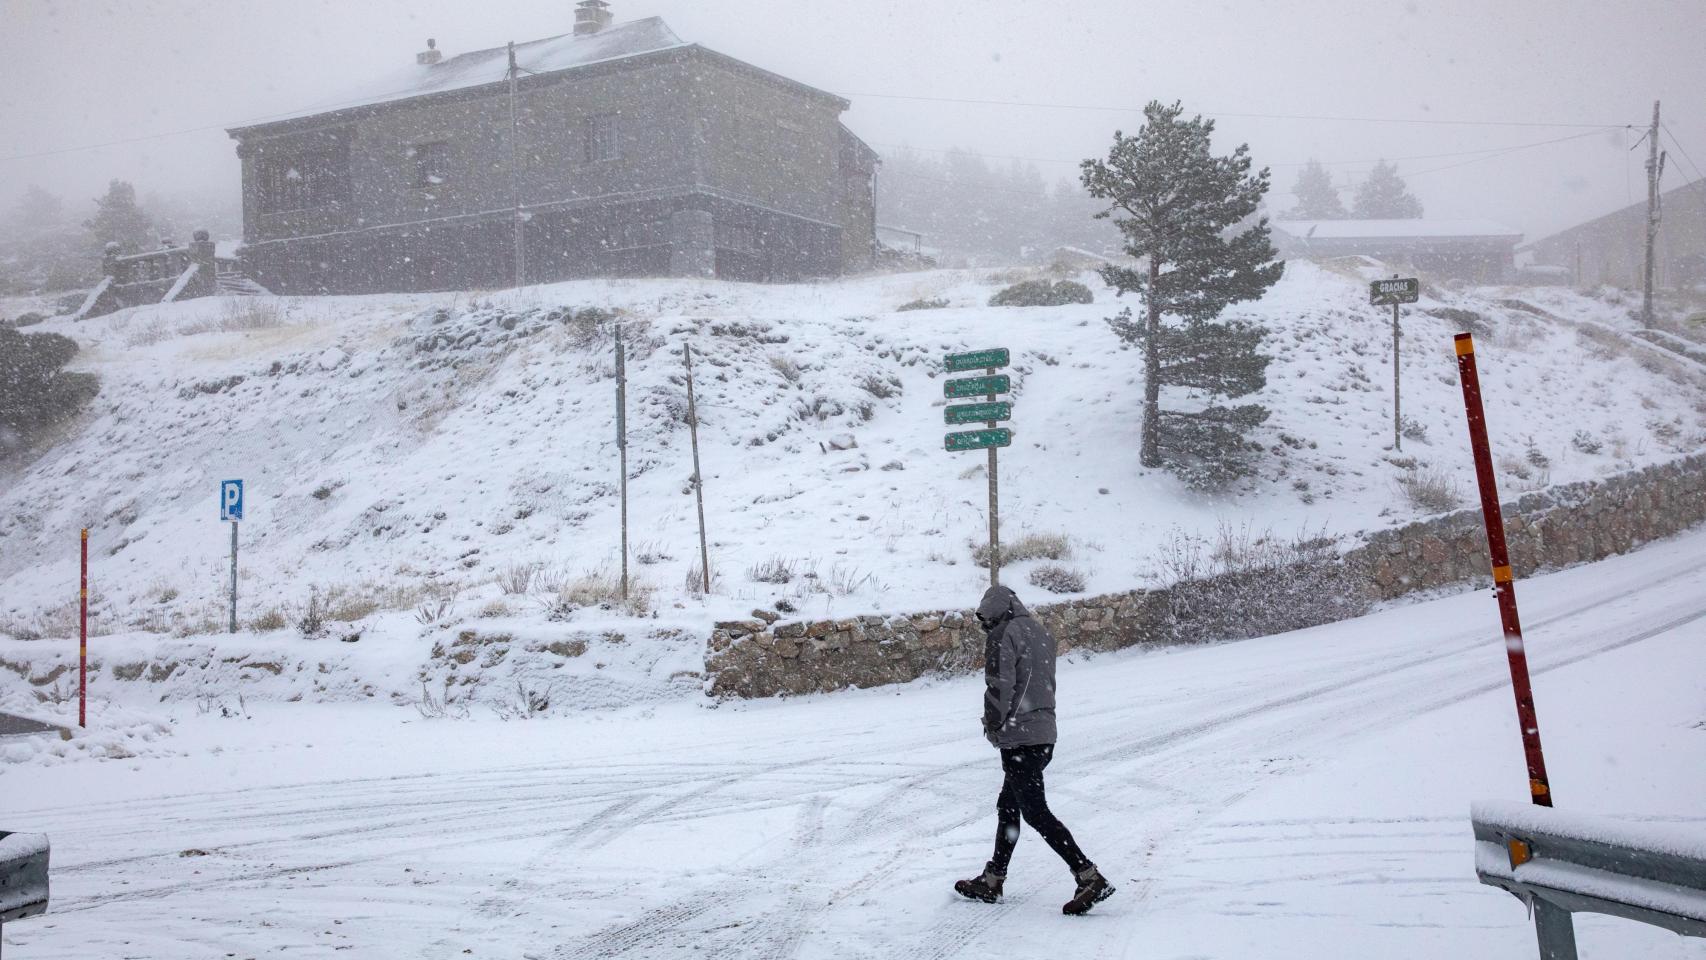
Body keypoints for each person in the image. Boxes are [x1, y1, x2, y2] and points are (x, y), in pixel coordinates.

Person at [955, 584, 1114, 915]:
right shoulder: (1039, 631)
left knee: (1035, 811)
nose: (986, 626)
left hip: (1019, 736)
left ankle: (1088, 875)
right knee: (1009, 806)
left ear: (995, 613)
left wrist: (994, 724)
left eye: (987, 620)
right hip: (1043, 734)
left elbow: (999, 685)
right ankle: (993, 878)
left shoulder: (1003, 633)